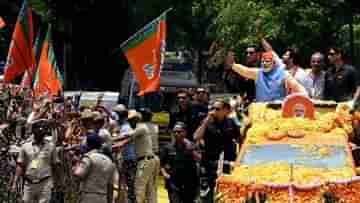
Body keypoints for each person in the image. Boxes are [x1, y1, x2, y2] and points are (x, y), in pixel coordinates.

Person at [194, 99, 241, 203]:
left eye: (217, 109)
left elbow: (239, 139)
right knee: (206, 195)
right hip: (209, 164)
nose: (213, 111)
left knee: (226, 194)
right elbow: (196, 137)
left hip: (227, 163)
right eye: (212, 108)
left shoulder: (231, 122)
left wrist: (239, 158)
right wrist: (206, 120)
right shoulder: (207, 122)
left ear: (225, 110)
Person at [226, 51, 307, 102]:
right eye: (263, 61)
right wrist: (233, 65)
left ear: (274, 63)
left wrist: (306, 96)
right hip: (261, 109)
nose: (264, 63)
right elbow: (245, 71)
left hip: (277, 109)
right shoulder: (258, 73)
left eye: (267, 61)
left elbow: (297, 87)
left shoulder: (284, 74)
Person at [11, 119, 60, 203]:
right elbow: (20, 165)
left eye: (43, 132)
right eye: (38, 132)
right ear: (33, 132)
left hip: (45, 183)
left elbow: (55, 165)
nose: (41, 134)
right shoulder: (25, 147)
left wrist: (58, 182)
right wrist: (15, 183)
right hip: (29, 183)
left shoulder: (51, 146)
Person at [161, 122, 201, 203]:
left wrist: (191, 149)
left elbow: (200, 160)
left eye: (179, 132)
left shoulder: (192, 146)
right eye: (174, 132)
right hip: (173, 182)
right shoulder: (168, 147)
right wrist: (164, 174)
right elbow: (161, 163)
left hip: (190, 183)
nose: (176, 134)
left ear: (185, 132)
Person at [73, 133, 116, 203]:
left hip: (88, 197)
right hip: (103, 198)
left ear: (88, 145)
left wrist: (77, 162)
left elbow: (78, 174)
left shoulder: (89, 157)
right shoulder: (109, 161)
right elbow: (110, 186)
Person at [112, 104, 137, 203]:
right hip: (126, 158)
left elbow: (121, 141)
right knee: (125, 184)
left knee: (130, 185)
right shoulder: (123, 126)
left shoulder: (126, 128)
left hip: (129, 159)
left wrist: (111, 142)